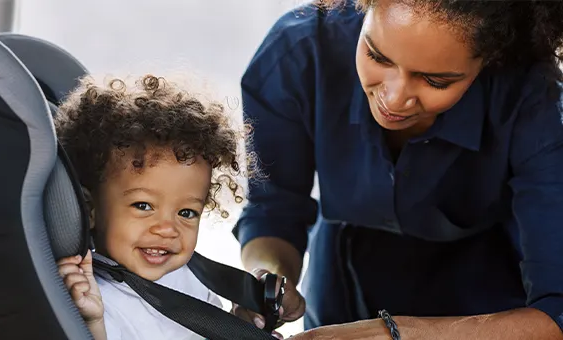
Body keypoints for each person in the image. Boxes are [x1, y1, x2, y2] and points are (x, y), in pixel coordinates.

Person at [232, 0, 563, 339]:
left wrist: (394, 333)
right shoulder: (297, 53)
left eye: (434, 80)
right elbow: (273, 210)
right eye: (377, 56)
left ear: (490, 59)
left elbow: (557, 312)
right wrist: (269, 279)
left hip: (492, 293)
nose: (392, 99)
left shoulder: (538, 99)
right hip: (341, 273)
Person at [51, 74, 281, 339]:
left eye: (186, 213)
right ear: (90, 209)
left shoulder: (188, 277)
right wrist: (92, 323)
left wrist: (239, 327)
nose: (167, 228)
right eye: (143, 205)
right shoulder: (97, 299)